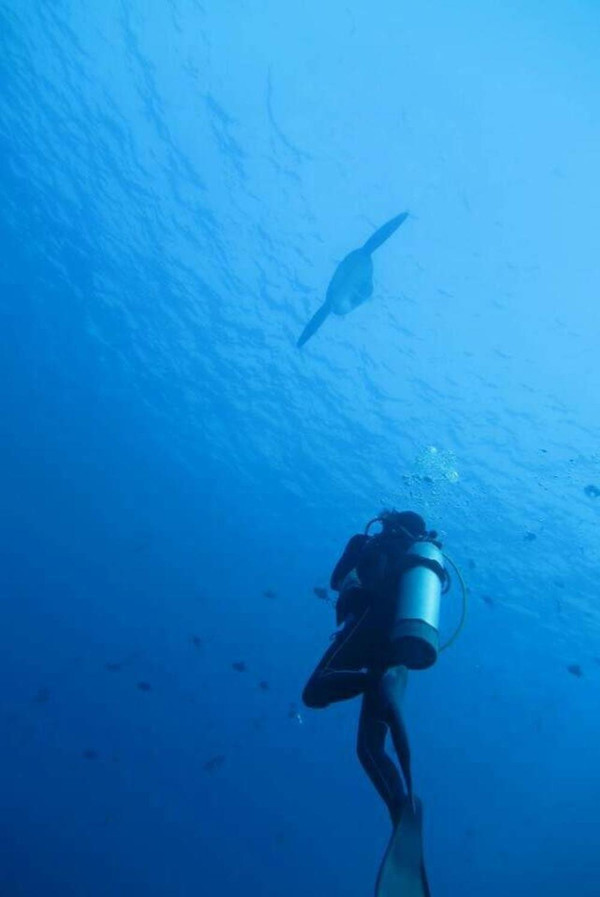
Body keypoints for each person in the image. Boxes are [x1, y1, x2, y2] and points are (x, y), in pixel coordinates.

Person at [302, 509, 437, 894]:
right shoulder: (415, 559)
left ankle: (373, 685)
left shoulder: (370, 542)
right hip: (396, 646)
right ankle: (401, 811)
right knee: (370, 748)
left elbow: (337, 581)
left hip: (368, 626)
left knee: (314, 692)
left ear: (389, 523)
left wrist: (357, 550)